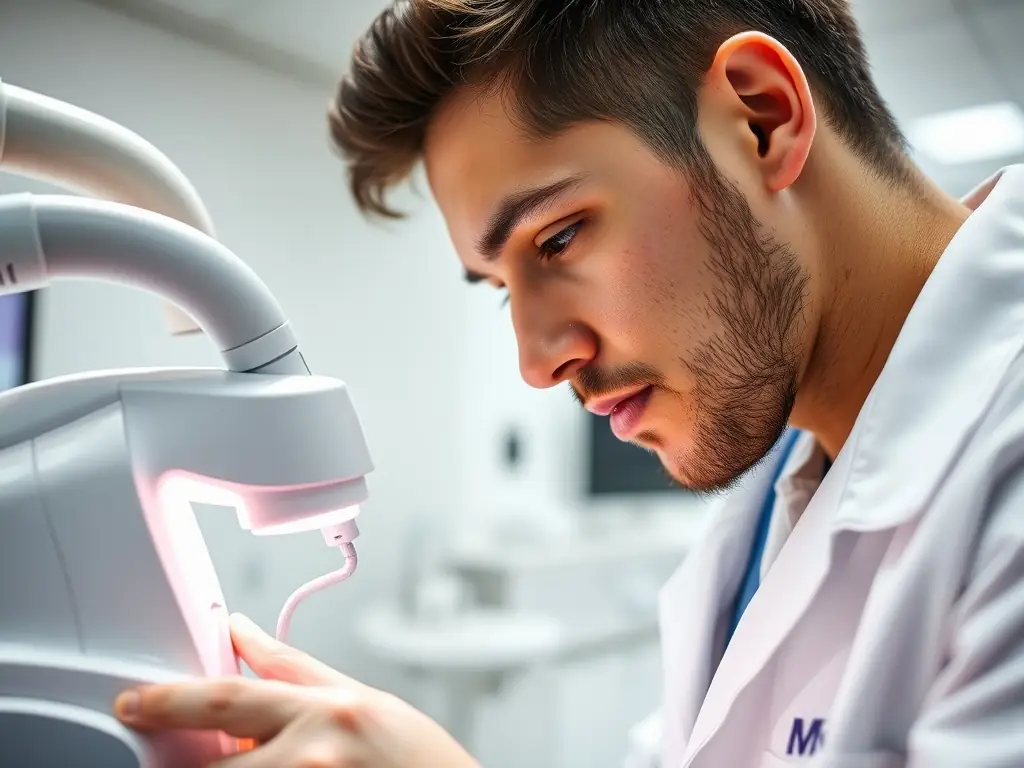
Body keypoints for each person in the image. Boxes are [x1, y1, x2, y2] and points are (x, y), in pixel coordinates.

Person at [114, 0, 1024, 765]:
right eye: (501, 288)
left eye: (558, 237)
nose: (537, 361)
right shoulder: (771, 503)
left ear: (761, 118)